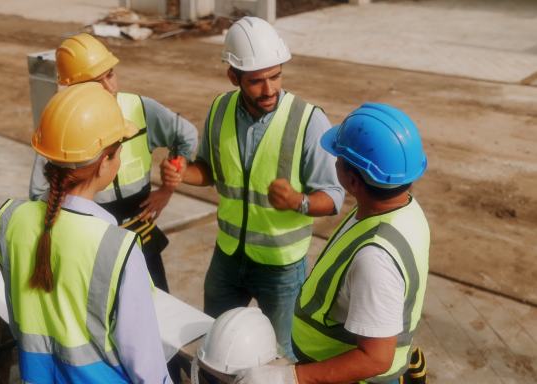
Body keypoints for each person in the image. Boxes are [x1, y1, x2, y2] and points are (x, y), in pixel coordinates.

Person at [161, 16, 344, 360]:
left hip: (281, 268)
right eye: (257, 81)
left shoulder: (307, 120)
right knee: (214, 343)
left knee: (280, 355)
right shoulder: (219, 109)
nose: (269, 89)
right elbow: (210, 172)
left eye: (276, 76)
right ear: (234, 76)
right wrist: (183, 173)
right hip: (228, 257)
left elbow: (334, 197)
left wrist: (298, 202)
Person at [234, 103, 430, 384]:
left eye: (338, 157)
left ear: (353, 180)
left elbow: (376, 357)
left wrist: (292, 378)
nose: (333, 160)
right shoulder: (403, 208)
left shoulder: (375, 259)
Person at [0, 82, 172, 383]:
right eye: (118, 152)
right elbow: (145, 365)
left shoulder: (11, 219)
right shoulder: (116, 247)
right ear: (104, 163)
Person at [29, 33, 198, 293]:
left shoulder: (139, 108)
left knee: (160, 308)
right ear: (72, 87)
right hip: (93, 238)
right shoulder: (64, 125)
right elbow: (38, 194)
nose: (109, 88)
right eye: (96, 82)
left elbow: (185, 136)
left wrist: (167, 189)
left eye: (110, 75)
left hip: (140, 232)